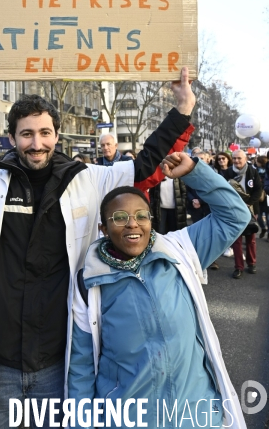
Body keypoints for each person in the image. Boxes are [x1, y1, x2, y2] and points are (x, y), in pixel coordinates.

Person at [0, 62, 195, 429]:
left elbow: (146, 168)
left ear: (57, 134)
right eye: (26, 134)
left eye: (45, 133)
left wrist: (181, 111)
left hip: (58, 359)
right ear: (11, 138)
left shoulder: (88, 180)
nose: (37, 144)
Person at [69, 152, 250, 429]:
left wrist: (194, 172)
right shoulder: (89, 284)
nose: (133, 223)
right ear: (103, 228)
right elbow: (80, 371)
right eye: (120, 217)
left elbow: (235, 216)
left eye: (142, 215)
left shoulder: (179, 250)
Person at [223, 149, 262, 278]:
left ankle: (251, 264)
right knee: (236, 240)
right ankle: (239, 267)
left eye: (239, 158)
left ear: (245, 159)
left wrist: (249, 203)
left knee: (251, 239)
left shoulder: (252, 171)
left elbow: (258, 189)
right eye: (234, 158)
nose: (236, 161)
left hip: (250, 208)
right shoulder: (227, 172)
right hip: (234, 210)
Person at [255, 155, 268, 238]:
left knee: (268, 216)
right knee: (258, 216)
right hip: (258, 196)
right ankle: (263, 228)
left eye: (257, 161)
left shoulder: (267, 170)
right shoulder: (255, 170)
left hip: (267, 195)